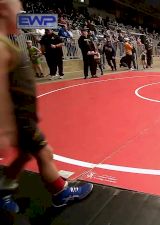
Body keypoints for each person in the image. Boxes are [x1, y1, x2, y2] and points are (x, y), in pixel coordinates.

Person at [0, 0, 93, 214]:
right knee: (44, 152)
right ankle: (60, 193)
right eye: (18, 10)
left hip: (23, 117)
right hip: (19, 119)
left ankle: (3, 190)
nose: (22, 15)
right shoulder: (2, 45)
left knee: (24, 155)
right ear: (4, 12)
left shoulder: (6, 42)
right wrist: (5, 128)